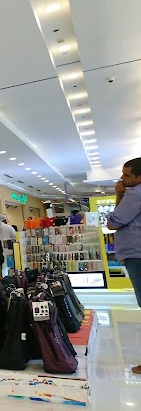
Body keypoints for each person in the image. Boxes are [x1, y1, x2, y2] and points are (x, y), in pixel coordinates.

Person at [106, 158, 141, 374]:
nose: (122, 178)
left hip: (137, 254)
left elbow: (112, 223)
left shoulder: (135, 194)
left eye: (127, 175)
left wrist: (118, 195)